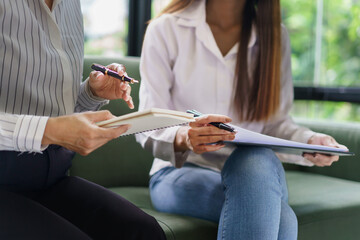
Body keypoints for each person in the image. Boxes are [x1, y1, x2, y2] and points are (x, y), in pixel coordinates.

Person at [136, 0, 348, 239]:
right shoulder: (166, 28)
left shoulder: (275, 36)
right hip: (180, 172)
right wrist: (185, 137)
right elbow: (148, 122)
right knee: (282, 216)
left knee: (255, 160)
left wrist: (310, 141)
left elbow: (276, 124)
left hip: (254, 169)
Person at [0, 0, 166, 239]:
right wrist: (49, 130)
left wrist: (91, 93)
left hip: (50, 176)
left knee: (144, 232)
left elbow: (59, 110)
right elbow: (52, 125)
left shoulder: (70, 5)